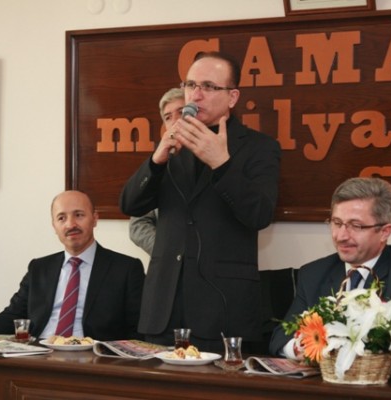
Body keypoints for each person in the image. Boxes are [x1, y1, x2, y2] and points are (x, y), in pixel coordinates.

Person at [120, 51, 281, 353]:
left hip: (223, 310)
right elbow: (130, 205)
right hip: (163, 308)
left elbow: (259, 215)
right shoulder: (172, 145)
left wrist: (222, 163)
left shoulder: (260, 148)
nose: (196, 95)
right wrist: (156, 161)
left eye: (208, 86)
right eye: (191, 85)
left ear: (232, 97)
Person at [269, 177, 391, 368]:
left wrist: (338, 349)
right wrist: (302, 348)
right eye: (337, 223)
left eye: (356, 226)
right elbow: (280, 339)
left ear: (384, 232)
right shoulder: (314, 274)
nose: (341, 236)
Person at [0, 190, 145, 340]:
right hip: (40, 351)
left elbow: (138, 329)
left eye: (79, 215)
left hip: (94, 355)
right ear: (54, 226)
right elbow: (12, 315)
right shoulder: (39, 268)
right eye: (61, 218)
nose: (70, 224)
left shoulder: (127, 269)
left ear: (95, 219)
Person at [129, 87, 185, 256]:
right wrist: (169, 254)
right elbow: (137, 225)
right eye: (168, 117)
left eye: (182, 112)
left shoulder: (215, 157)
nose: (175, 121)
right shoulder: (158, 166)